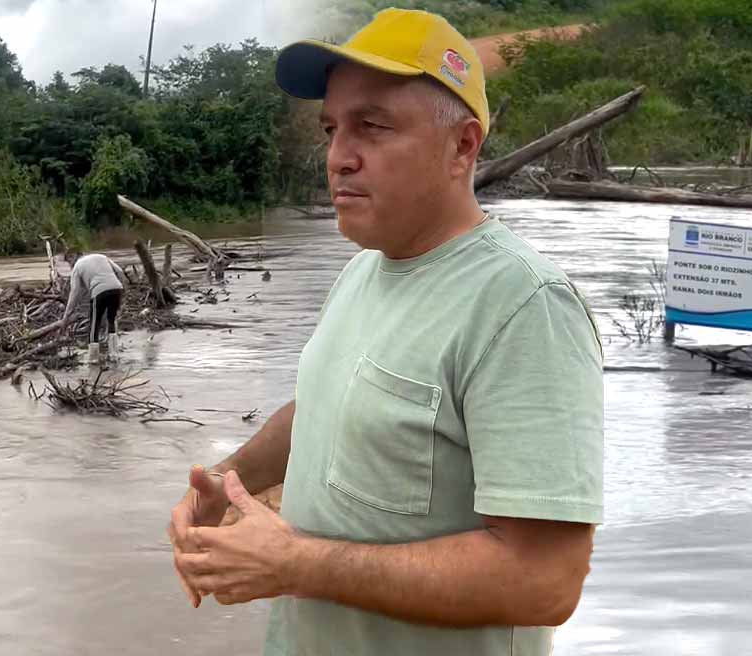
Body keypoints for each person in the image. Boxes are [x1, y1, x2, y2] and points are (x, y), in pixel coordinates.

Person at [168, 7, 604, 656]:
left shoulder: (522, 305)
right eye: (332, 129)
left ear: (462, 147)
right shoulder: (363, 270)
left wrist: (296, 564)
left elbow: (544, 580)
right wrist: (224, 480)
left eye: (371, 127)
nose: (339, 157)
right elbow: (327, 406)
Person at [61, 252, 127, 363]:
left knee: (94, 325)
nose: (70, 266)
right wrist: (123, 288)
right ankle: (114, 355)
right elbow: (120, 271)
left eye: (69, 262)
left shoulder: (77, 266)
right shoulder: (101, 256)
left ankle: (93, 359)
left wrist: (66, 316)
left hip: (99, 291)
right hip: (116, 289)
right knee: (111, 320)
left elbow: (74, 293)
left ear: (72, 258)